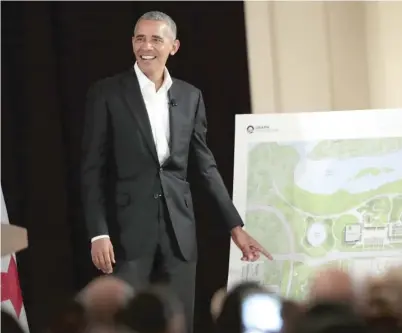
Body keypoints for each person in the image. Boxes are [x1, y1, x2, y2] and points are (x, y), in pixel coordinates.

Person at [80, 11, 271, 333]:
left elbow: (205, 164)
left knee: (180, 322)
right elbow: (91, 168)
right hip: (127, 233)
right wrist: (99, 233)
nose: (146, 46)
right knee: (127, 322)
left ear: (174, 46)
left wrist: (235, 226)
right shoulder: (107, 93)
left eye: (156, 39)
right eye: (140, 38)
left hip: (179, 230)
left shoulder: (189, 96)